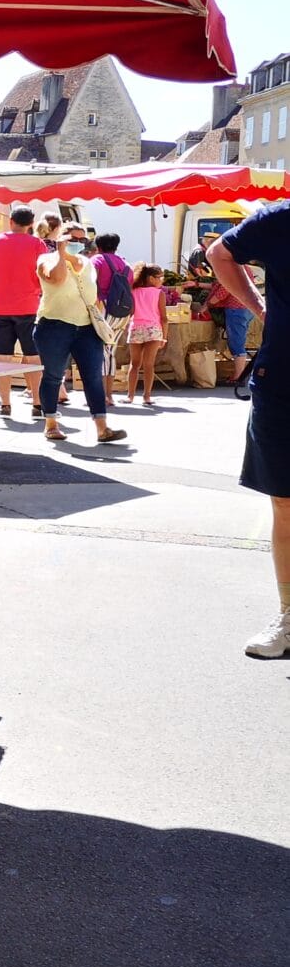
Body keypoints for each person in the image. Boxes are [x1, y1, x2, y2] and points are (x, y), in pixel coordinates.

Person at [207, 202, 286, 657]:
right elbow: (220, 253)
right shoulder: (281, 219)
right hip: (284, 380)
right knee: (286, 503)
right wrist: (259, 308)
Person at [32, 215, 125, 445]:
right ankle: (51, 423)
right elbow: (56, 279)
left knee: (93, 377)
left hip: (86, 327)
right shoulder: (46, 259)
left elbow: (93, 295)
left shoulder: (89, 264)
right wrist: (62, 253)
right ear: (60, 238)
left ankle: (102, 428)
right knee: (54, 375)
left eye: (84, 240)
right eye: (74, 239)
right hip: (54, 325)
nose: (80, 244)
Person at [0, 207, 48, 418]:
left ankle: (5, 404)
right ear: (31, 223)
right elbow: (45, 274)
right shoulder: (38, 244)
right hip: (29, 306)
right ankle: (38, 404)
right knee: (33, 356)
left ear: (10, 221)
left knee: (3, 358)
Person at [91, 232, 135, 405]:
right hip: (122, 311)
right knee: (110, 352)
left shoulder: (97, 260)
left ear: (98, 246)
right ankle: (108, 395)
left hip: (103, 308)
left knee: (99, 352)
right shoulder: (126, 264)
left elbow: (90, 285)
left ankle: (103, 395)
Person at [126, 262, 166, 407]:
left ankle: (130, 396)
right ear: (150, 278)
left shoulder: (133, 291)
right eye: (159, 277)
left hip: (136, 327)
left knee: (134, 364)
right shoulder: (159, 293)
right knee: (149, 364)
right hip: (153, 329)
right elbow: (164, 318)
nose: (161, 280)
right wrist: (164, 337)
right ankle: (147, 396)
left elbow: (130, 312)